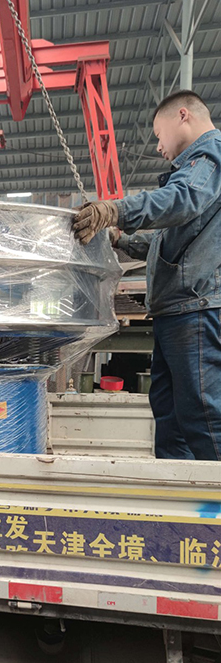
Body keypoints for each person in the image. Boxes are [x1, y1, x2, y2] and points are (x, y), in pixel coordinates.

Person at [73, 90, 221, 461]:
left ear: (183, 116)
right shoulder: (196, 172)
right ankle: (178, 494)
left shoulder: (210, 155)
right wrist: (119, 238)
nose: (158, 146)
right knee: (171, 418)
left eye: (158, 134)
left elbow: (181, 199)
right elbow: (164, 239)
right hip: (177, 311)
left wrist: (117, 210)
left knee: (204, 417)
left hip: (196, 308)